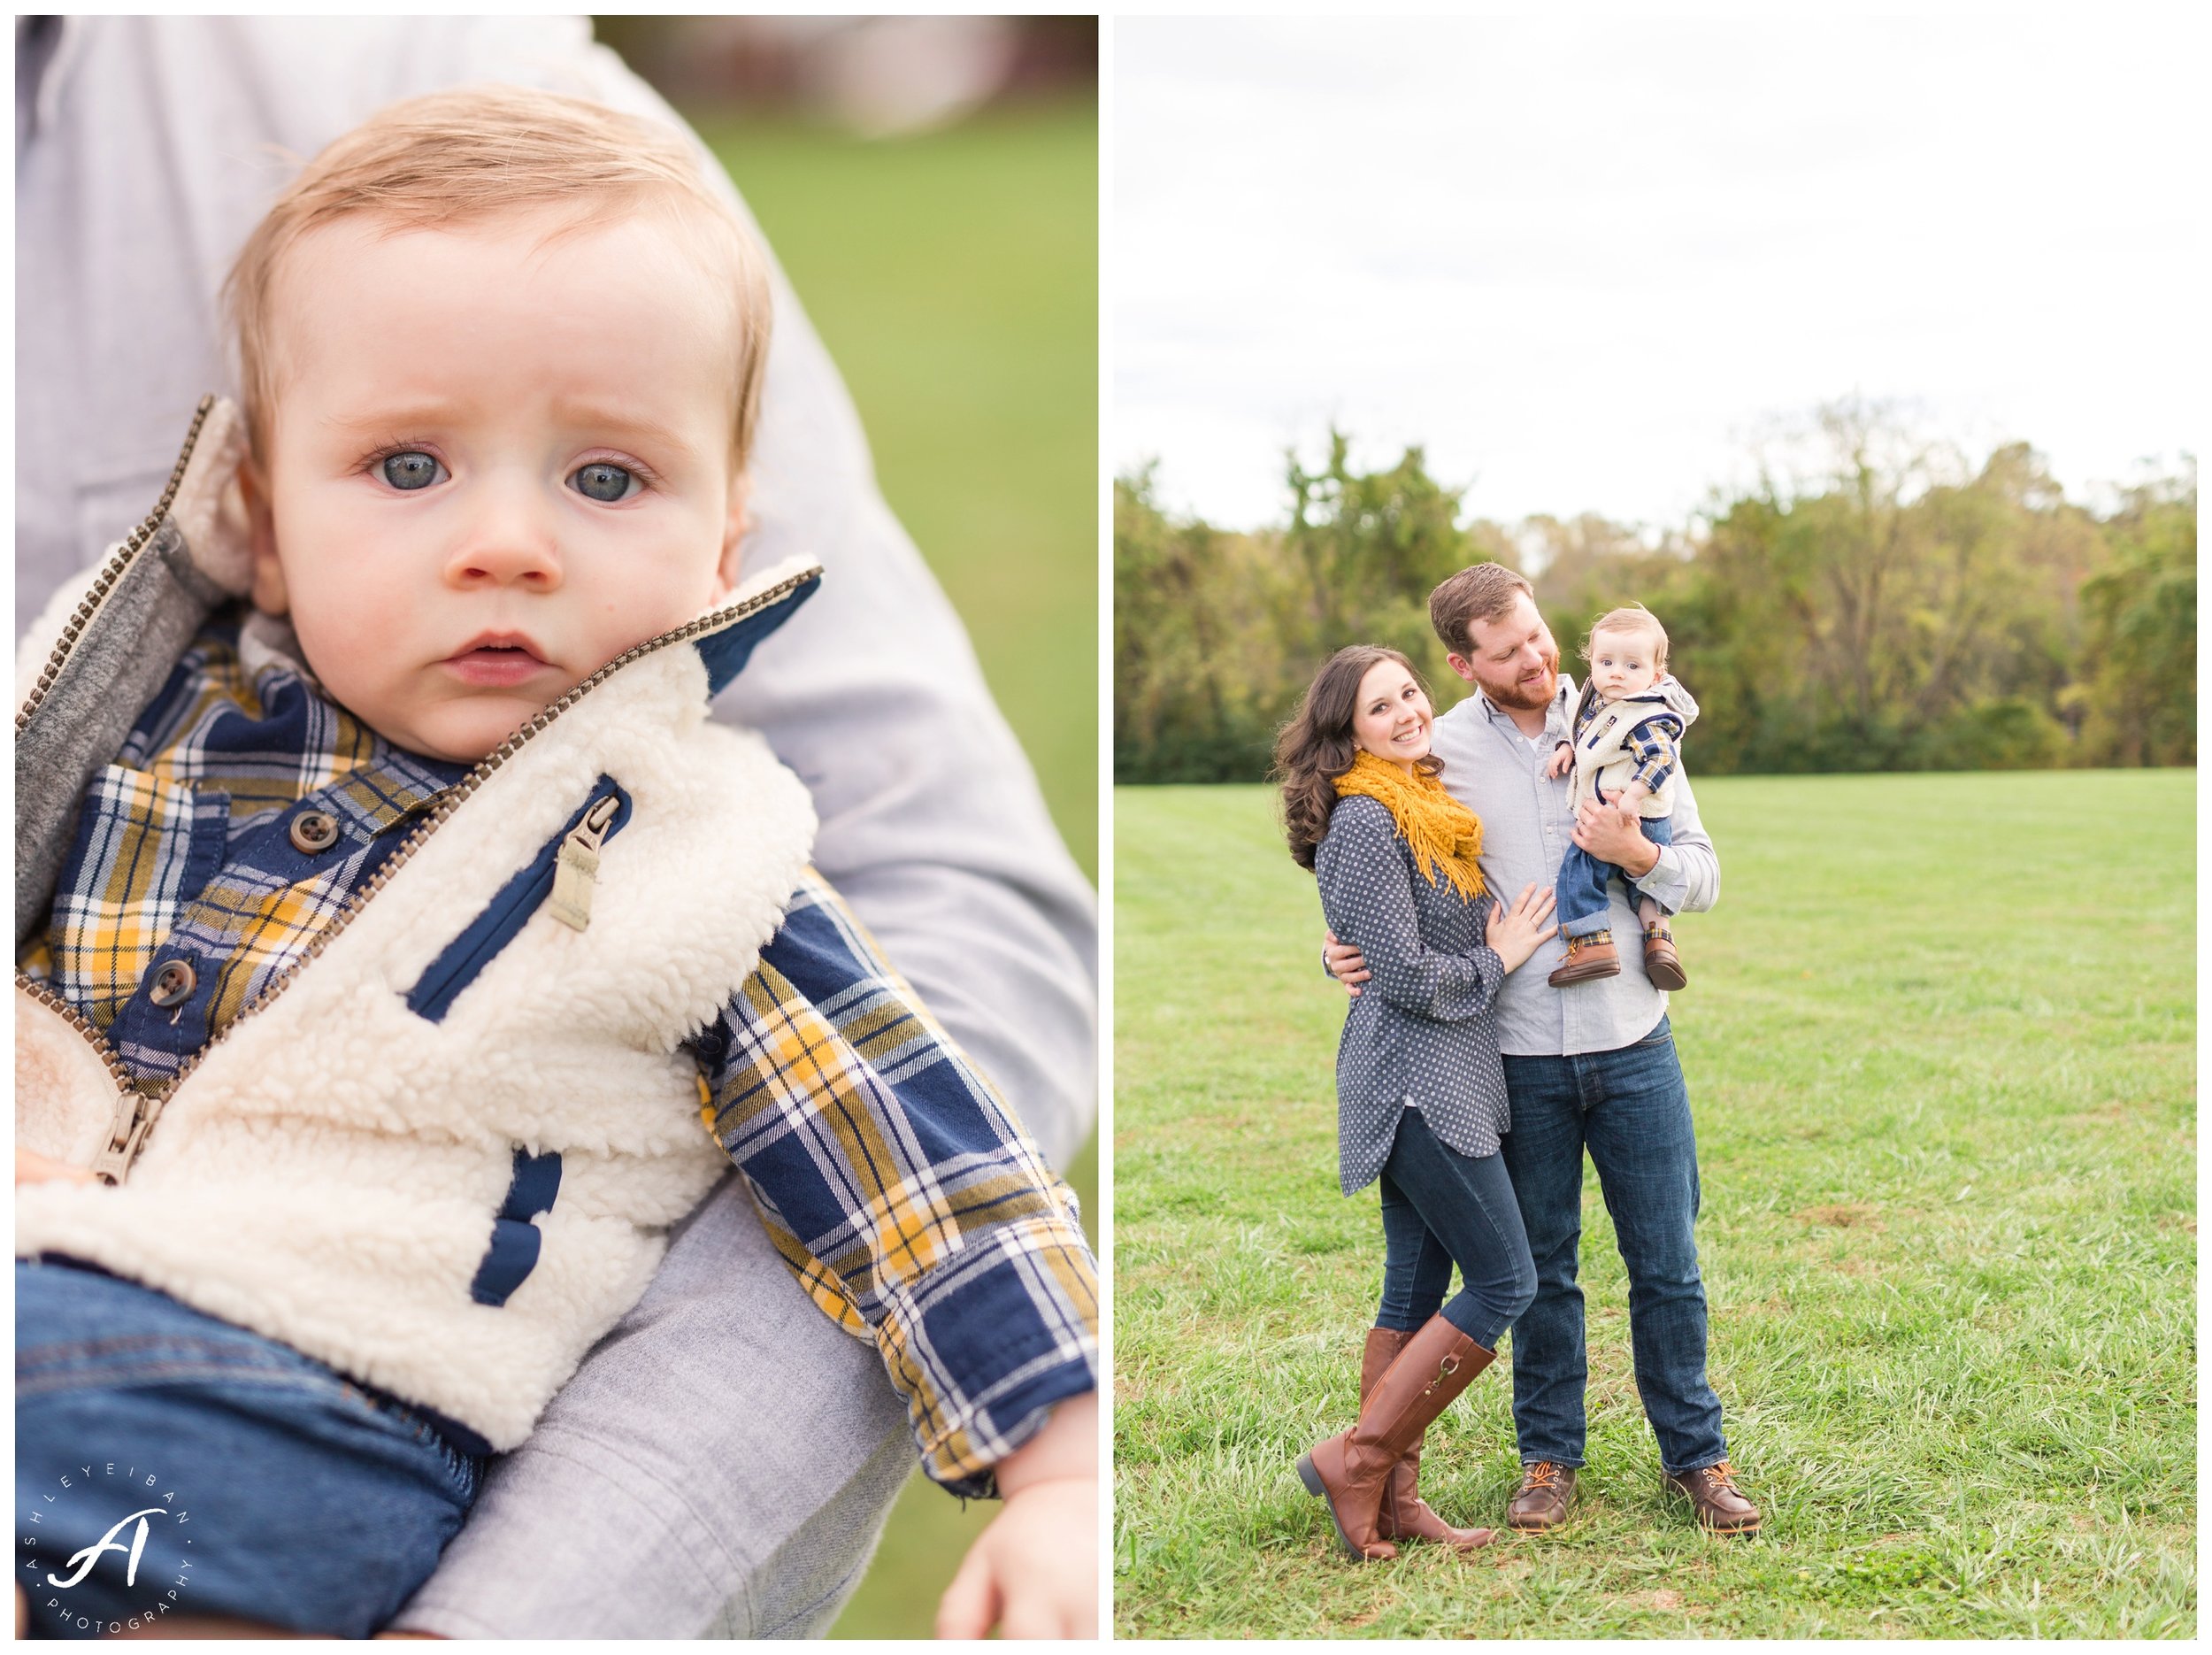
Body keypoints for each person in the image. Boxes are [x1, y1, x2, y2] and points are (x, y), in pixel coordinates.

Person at [14, 16, 1097, 1638]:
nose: (507, 542)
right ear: (261, 521)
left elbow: (917, 1167)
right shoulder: (147, 737)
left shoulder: (700, 860)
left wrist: (1065, 1475)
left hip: (327, 1396)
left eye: (605, 480)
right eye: (405, 466)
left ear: (728, 539)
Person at [1325, 564, 1760, 1536]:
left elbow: (1703, 871)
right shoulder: (1435, 749)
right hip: (1513, 1057)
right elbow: (1378, 866)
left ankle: (1697, 1456)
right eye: (1507, 649)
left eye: (1537, 635)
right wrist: (1336, 948)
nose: (1535, 658)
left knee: (1667, 1264)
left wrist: (1635, 853)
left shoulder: (1630, 716)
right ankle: (1548, 1459)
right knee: (1544, 1272)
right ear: (1461, 662)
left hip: (1633, 1040)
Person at [1274, 645, 1558, 1560]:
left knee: (1413, 1285)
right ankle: (1358, 1458)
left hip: (1450, 1073)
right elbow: (1398, 974)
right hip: (1412, 1080)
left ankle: (1390, 1499)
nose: (1404, 712)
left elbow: (1374, 945)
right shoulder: (1365, 819)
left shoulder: (1424, 806)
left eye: (1406, 693)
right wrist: (1501, 955)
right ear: (1345, 732)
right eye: (1377, 706)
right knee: (1506, 1280)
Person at [1540, 604, 1698, 988]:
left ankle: (1592, 945)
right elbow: (1584, 733)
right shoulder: (1599, 702)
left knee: (1579, 875)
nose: (1616, 673)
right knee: (1641, 888)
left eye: (1632, 666)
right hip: (1631, 816)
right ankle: (1659, 942)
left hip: (1627, 817)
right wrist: (1566, 747)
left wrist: (1633, 796)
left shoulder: (1646, 714)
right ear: (1590, 662)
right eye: (1606, 661)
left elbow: (1661, 758)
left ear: (1656, 674)